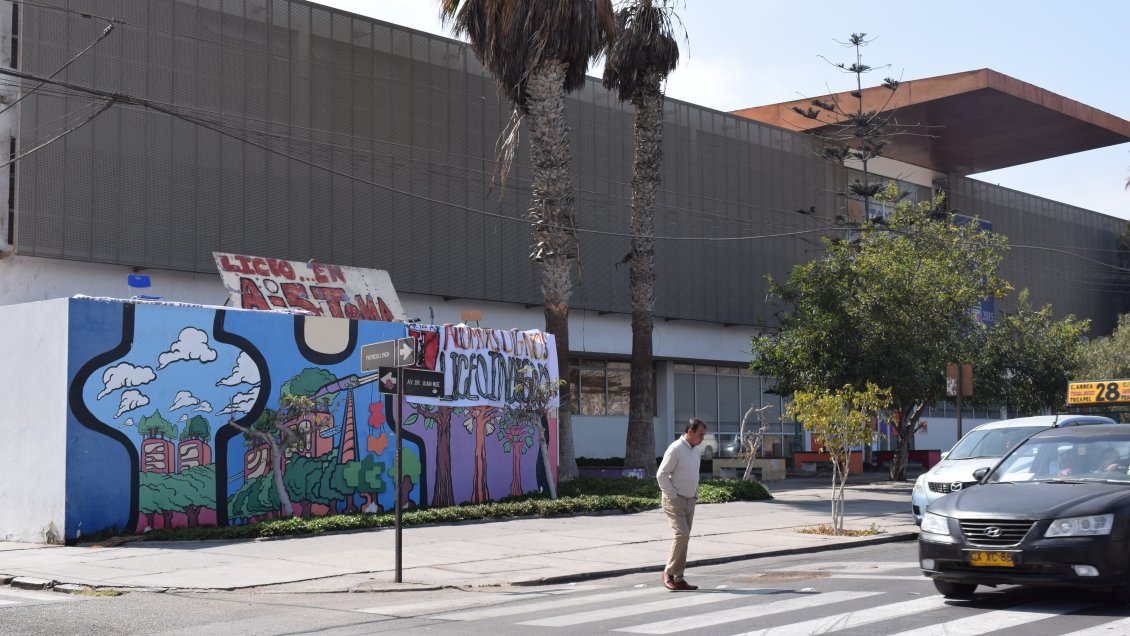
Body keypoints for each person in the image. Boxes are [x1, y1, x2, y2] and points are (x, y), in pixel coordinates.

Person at [657, 417, 707, 591]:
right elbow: (661, 474)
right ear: (689, 432)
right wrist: (673, 495)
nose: (702, 438)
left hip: (689, 500)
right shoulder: (676, 448)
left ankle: (678, 579)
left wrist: (695, 494)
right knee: (682, 535)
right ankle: (668, 573)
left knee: (684, 539)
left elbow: (694, 474)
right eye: (700, 434)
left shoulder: (695, 450)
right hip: (674, 500)